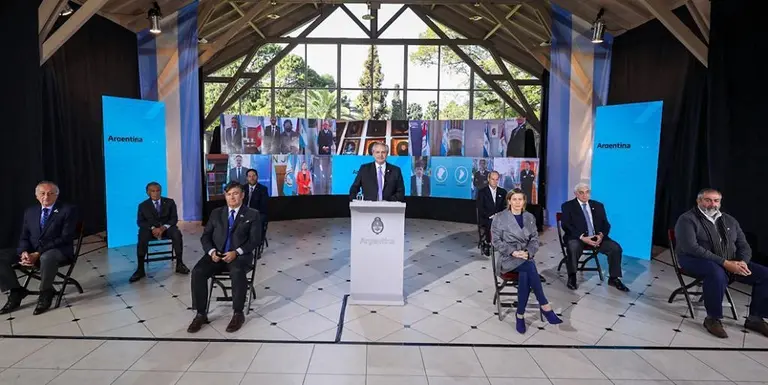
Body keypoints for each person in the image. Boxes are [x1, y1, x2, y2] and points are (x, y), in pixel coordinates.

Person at [674, 188, 768, 339]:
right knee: (716, 272)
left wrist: (742, 262)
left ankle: (755, 319)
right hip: (694, 259)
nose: (712, 204)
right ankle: (712, 318)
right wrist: (725, 263)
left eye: (716, 200)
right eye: (708, 200)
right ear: (699, 201)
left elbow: (744, 245)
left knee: (765, 275)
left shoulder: (730, 220)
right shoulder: (687, 219)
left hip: (728, 260)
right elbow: (691, 248)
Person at [188, 182, 262, 334]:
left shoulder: (252, 214)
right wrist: (211, 252)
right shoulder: (216, 213)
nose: (232, 197)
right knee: (198, 272)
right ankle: (201, 314)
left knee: (237, 272)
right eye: (228, 194)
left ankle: (238, 313)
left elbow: (255, 240)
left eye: (235, 193)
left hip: (239, 256)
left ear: (242, 195)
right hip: (216, 255)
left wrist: (237, 252)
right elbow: (205, 236)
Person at [0, 181, 78, 315]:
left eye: (50, 193)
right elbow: (24, 236)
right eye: (42, 193)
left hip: (58, 250)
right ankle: (16, 291)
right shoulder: (30, 212)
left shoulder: (67, 210)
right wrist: (24, 252)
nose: (46, 197)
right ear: (37, 196)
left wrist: (38, 253)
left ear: (56, 195)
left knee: (46, 257)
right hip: (33, 250)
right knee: (2, 256)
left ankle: (46, 292)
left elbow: (65, 238)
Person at [491, 189, 562, 334]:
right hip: (507, 258)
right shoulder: (500, 217)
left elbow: (535, 239)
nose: (517, 202)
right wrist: (513, 251)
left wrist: (528, 252)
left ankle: (520, 315)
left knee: (526, 272)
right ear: (509, 201)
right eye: (514, 199)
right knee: (529, 268)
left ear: (524, 201)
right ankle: (545, 305)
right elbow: (495, 241)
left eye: (520, 199)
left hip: (525, 256)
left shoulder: (530, 217)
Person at [560, 183, 628, 291]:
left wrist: (601, 235)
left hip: (596, 237)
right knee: (573, 247)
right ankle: (572, 276)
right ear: (576, 194)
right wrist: (582, 237)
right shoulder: (568, 206)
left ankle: (614, 278)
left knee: (615, 248)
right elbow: (566, 225)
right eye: (581, 192)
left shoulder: (598, 205)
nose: (584, 195)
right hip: (578, 237)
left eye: (587, 192)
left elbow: (606, 224)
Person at [131, 182, 189, 283]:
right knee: (142, 235)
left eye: (158, 190)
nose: (156, 193)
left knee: (177, 233)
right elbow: (140, 222)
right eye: (153, 191)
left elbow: (174, 219)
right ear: (148, 192)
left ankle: (180, 264)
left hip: (166, 229)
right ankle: (140, 269)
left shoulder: (170, 202)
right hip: (150, 230)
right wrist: (153, 228)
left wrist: (163, 228)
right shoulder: (143, 205)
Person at [476, 171, 507, 256]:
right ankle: (488, 242)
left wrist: (498, 215)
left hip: (500, 217)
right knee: (491, 223)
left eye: (497, 179)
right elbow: (480, 208)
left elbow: (505, 207)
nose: (495, 181)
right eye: (493, 179)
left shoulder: (503, 192)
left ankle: (506, 244)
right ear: (488, 179)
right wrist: (490, 216)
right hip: (486, 217)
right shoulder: (482, 192)